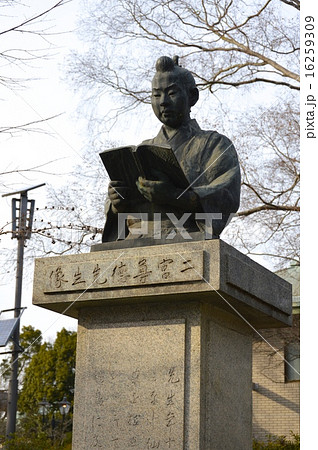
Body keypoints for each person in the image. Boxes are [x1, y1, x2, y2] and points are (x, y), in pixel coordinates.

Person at [102, 56, 240, 242]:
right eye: (156, 95)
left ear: (192, 96)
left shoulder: (215, 145)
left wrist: (175, 196)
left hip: (186, 234)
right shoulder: (142, 152)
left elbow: (225, 196)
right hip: (136, 237)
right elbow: (116, 213)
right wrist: (115, 203)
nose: (163, 102)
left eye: (172, 93)